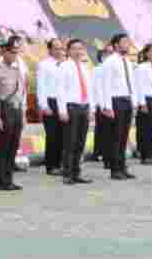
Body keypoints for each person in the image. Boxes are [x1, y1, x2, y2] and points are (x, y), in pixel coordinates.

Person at [96, 33, 137, 180]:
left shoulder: (127, 61)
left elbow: (131, 83)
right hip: (115, 101)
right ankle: (115, 169)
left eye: (128, 42)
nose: (127, 44)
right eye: (124, 42)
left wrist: (134, 102)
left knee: (124, 137)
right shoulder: (110, 62)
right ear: (116, 45)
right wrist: (107, 106)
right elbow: (105, 85)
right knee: (116, 137)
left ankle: (122, 166)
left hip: (127, 100)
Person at [56, 38, 95, 185]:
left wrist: (91, 108)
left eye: (80, 48)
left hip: (84, 107)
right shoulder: (64, 66)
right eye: (74, 48)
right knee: (70, 142)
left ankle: (77, 172)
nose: (78, 51)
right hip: (71, 108)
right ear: (68, 51)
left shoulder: (85, 67)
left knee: (80, 142)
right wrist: (62, 110)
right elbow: (60, 89)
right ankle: (67, 174)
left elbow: (90, 89)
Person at [0, 35, 26, 191]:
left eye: (16, 52)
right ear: (3, 51)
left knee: (13, 145)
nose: (14, 55)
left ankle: (9, 179)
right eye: (11, 52)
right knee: (4, 146)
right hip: (5, 109)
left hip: (17, 109)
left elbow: (22, 92)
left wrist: (23, 113)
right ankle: (0, 181)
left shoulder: (18, 68)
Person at [37, 39, 63, 177]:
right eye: (56, 48)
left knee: (62, 135)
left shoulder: (65, 64)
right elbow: (41, 86)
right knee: (52, 135)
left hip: (63, 102)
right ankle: (51, 165)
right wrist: (44, 105)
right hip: (50, 102)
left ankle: (60, 164)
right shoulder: (44, 65)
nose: (59, 51)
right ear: (50, 50)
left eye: (61, 48)